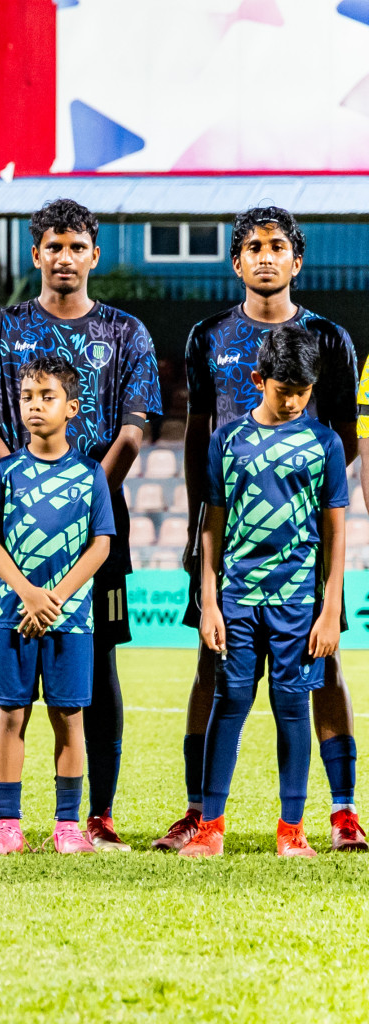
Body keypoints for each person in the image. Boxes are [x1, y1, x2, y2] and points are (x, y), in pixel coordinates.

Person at [0, 198, 161, 853]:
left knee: (98, 666)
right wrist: (27, 489)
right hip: (13, 525)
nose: (64, 258)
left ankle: (95, 817)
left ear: (93, 255)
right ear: (35, 254)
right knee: (1, 663)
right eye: (53, 247)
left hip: (98, 516)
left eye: (76, 247)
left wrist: (80, 493)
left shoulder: (128, 334)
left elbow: (131, 432)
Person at [157, 207, 364, 852]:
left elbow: (341, 448)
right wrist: (202, 528)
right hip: (228, 535)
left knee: (321, 668)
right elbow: (198, 438)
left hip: (303, 538)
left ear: (297, 260)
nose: (266, 257)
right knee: (209, 663)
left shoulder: (330, 340)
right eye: (253, 247)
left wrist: (293, 499)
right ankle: (200, 812)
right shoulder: (206, 337)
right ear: (238, 261)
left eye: (278, 246)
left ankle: (342, 811)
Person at [183, 325, 347, 859]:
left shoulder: (325, 442)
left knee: (293, 706)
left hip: (298, 602)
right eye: (284, 392)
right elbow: (212, 525)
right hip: (237, 599)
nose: (295, 401)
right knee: (229, 701)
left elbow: (335, 531)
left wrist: (331, 606)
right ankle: (210, 827)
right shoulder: (227, 441)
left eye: (304, 392)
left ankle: (291, 830)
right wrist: (209, 600)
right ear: (258, 379)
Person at [0, 355, 114, 855]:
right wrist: (28, 595)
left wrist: (54, 598)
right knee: (9, 717)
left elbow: (101, 545)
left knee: (69, 717)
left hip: (71, 620)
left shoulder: (91, 474)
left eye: (47, 397)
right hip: (14, 616)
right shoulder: (6, 472)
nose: (35, 406)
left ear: (71, 407)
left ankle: (66, 825)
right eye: (28, 397)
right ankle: (7, 825)